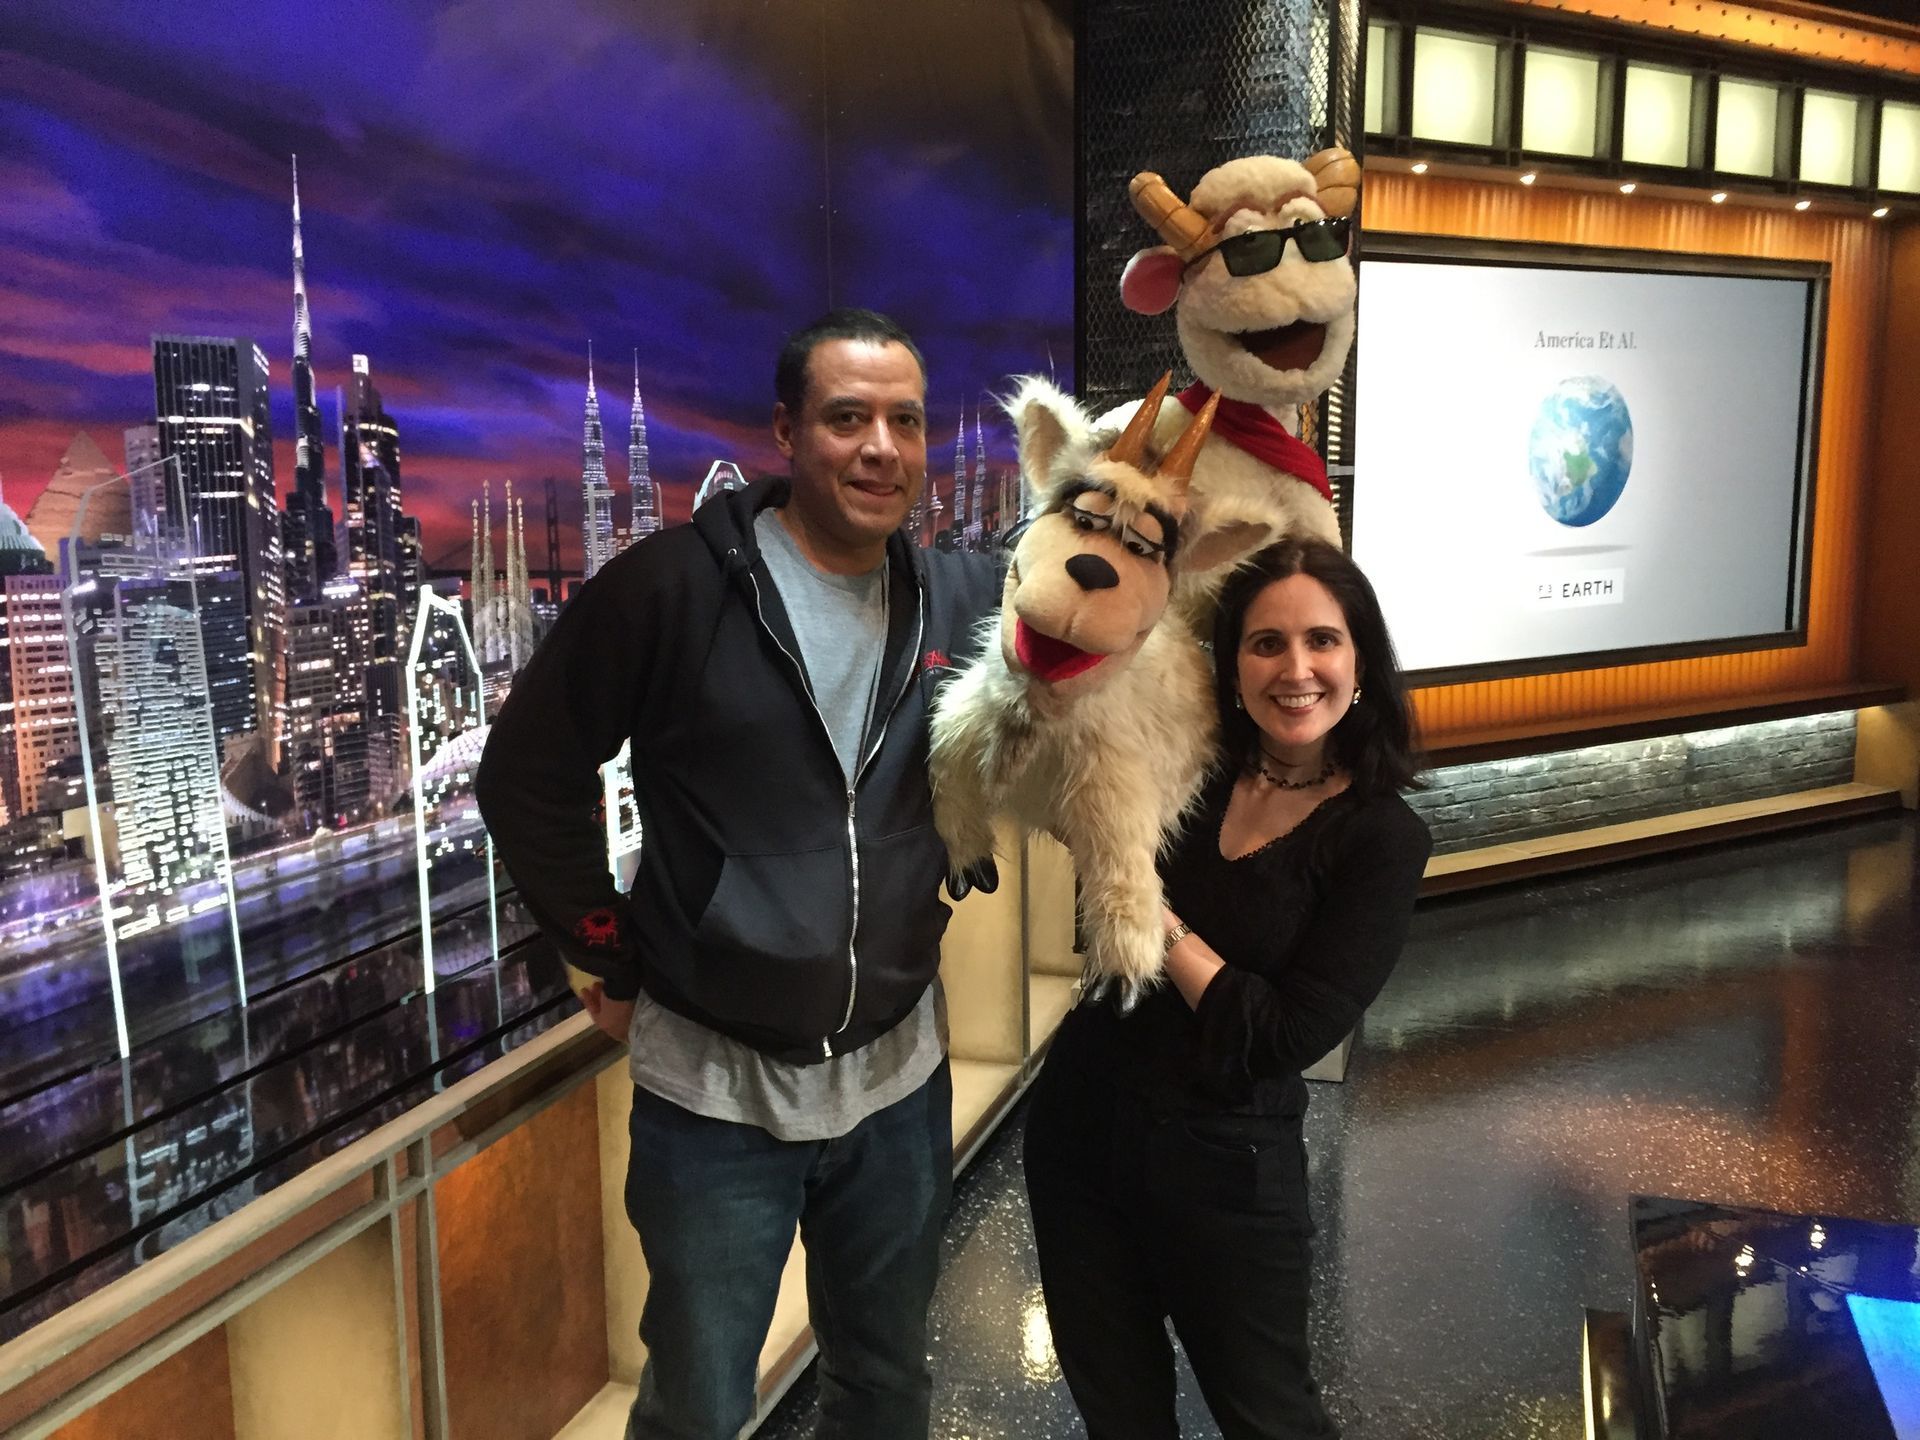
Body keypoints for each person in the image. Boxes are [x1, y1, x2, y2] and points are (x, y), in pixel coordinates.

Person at [475, 308, 1000, 1440]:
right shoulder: (673, 588)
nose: (882, 448)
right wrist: (604, 947)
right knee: (699, 1407)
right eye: (848, 418)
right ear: (786, 432)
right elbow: (527, 771)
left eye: (904, 422)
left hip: (899, 1081)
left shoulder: (954, 596)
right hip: (716, 1097)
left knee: (886, 1383)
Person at [1022, 537, 1431, 1439]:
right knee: (1118, 1414)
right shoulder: (1190, 771)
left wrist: (1154, 915)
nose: (1296, 669)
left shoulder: (1380, 837)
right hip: (1078, 1132)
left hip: (1227, 1168)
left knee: (1270, 1417)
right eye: (1265, 644)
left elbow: (1285, 1035)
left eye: (1321, 641)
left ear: (1360, 660)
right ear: (1232, 663)